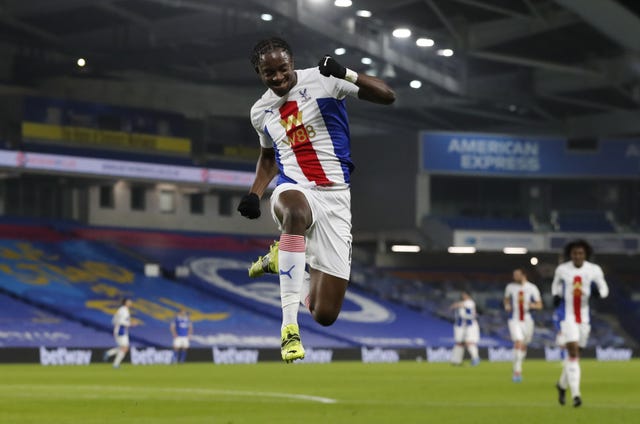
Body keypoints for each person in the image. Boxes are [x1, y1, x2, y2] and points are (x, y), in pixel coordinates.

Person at [237, 37, 395, 363]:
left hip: (336, 198)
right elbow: (269, 159)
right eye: (269, 73)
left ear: (292, 63)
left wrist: (345, 72)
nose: (278, 77)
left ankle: (282, 260)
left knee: (325, 314)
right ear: (259, 73)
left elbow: (387, 96)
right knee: (294, 211)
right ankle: (289, 327)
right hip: (295, 188)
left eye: (282, 69)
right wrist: (254, 194)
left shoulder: (324, 79)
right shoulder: (260, 111)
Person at [551, 239, 609, 407]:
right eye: (575, 253)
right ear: (570, 254)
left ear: (586, 254)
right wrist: (555, 295)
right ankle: (576, 395)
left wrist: (599, 293)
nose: (577, 256)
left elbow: (604, 288)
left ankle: (561, 385)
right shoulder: (562, 269)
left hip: (584, 319)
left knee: (574, 356)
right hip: (568, 317)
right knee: (573, 353)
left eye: (581, 253)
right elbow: (555, 285)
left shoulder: (593, 270)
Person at [504, 268, 542, 382]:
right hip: (514, 319)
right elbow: (506, 299)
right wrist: (507, 305)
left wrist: (533, 306)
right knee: (518, 341)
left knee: (524, 344)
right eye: (514, 274)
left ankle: (517, 363)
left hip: (527, 320)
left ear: (523, 275)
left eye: (517, 275)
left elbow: (539, 305)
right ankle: (517, 371)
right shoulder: (510, 287)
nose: (514, 277)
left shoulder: (532, 288)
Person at [450, 291, 481, 366]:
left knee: (468, 342)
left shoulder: (470, 302)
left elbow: (458, 305)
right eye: (462, 294)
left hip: (470, 325)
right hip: (464, 326)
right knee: (460, 343)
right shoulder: (464, 303)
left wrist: (455, 305)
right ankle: (456, 360)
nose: (463, 296)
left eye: (464, 294)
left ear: (469, 295)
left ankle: (476, 358)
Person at [103, 298, 133, 368]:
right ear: (125, 303)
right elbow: (120, 321)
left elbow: (113, 320)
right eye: (129, 301)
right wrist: (130, 324)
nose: (131, 303)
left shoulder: (122, 310)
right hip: (121, 330)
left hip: (121, 330)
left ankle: (110, 355)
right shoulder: (123, 310)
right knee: (125, 348)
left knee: (124, 348)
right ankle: (114, 362)